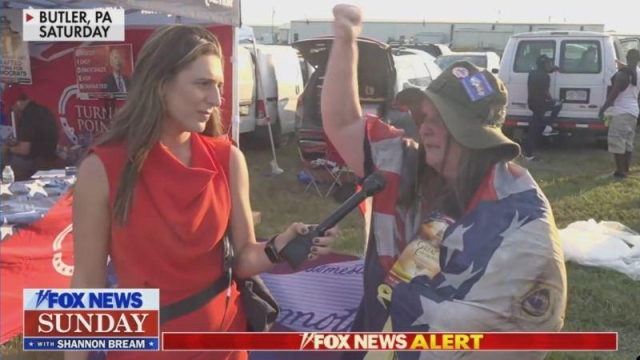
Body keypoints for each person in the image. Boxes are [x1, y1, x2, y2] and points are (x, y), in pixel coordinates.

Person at [68, 24, 337, 360]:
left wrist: (279, 245)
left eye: (220, 86)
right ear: (161, 84)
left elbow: (242, 259)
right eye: (203, 84)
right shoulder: (102, 169)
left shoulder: (228, 158)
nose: (217, 99)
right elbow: (87, 282)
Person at [321, 5, 567, 360]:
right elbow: (343, 123)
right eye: (424, 117)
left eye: (442, 120)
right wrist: (345, 40)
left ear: (476, 136)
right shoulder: (408, 164)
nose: (424, 128)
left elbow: (515, 338)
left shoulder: (523, 224)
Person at [599, 49, 639, 179]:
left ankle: (620, 172)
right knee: (627, 142)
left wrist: (603, 109)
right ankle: (625, 169)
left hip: (621, 112)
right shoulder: (637, 72)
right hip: (633, 112)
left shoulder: (622, 75)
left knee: (617, 141)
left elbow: (613, 95)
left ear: (627, 58)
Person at [1, 92, 60, 180]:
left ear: (18, 103)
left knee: (5, 162)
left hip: (38, 162)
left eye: (12, 106)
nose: (13, 109)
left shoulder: (29, 115)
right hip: (50, 157)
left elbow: (25, 149)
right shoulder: (42, 110)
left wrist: (7, 147)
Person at [524, 54, 561, 161]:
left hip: (532, 104)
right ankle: (529, 155)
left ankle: (529, 154)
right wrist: (553, 100)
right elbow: (546, 93)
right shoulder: (545, 77)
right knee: (558, 104)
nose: (551, 65)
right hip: (541, 105)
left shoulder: (532, 74)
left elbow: (546, 71)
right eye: (549, 63)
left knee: (533, 129)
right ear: (545, 65)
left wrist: (554, 69)